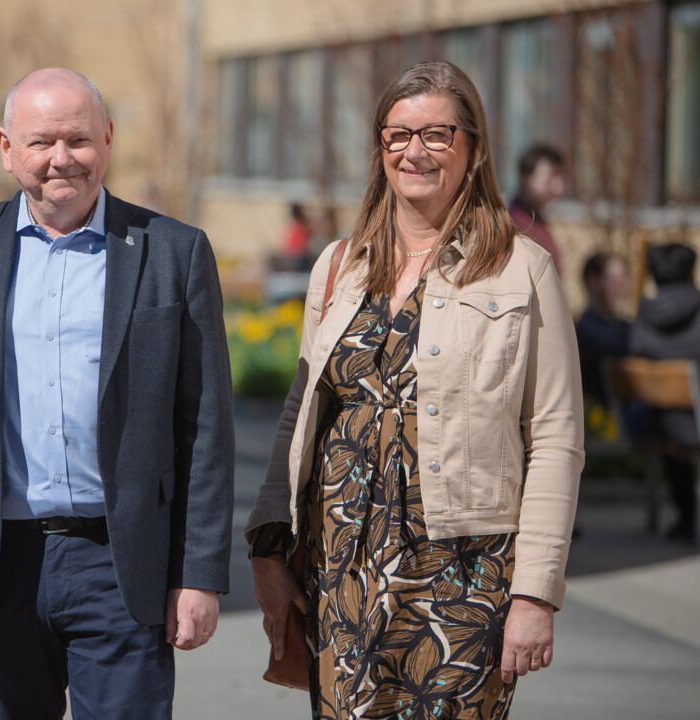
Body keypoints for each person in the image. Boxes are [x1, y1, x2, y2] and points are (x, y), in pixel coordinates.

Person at [0, 68, 234, 719]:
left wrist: (200, 572)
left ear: (109, 141)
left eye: (78, 139)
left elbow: (203, 427)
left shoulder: (173, 253)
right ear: (7, 149)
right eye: (41, 143)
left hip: (121, 564)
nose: (61, 159)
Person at [246, 61, 584, 718]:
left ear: (473, 147)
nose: (415, 151)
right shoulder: (340, 263)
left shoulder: (522, 270)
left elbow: (556, 435)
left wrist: (536, 596)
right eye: (398, 134)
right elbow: (302, 410)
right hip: (340, 567)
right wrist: (268, 547)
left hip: (462, 576)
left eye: (437, 134)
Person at [630, 243, 700, 542]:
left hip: (661, 426)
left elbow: (635, 350)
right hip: (693, 425)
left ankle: (686, 519)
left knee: (673, 424)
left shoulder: (644, 316)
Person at [575, 252, 631, 403]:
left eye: (623, 279)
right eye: (612, 279)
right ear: (592, 280)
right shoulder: (582, 332)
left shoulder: (626, 328)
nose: (620, 287)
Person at [508, 144, 566, 276]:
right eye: (550, 178)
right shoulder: (514, 225)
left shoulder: (537, 219)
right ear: (526, 178)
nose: (559, 187)